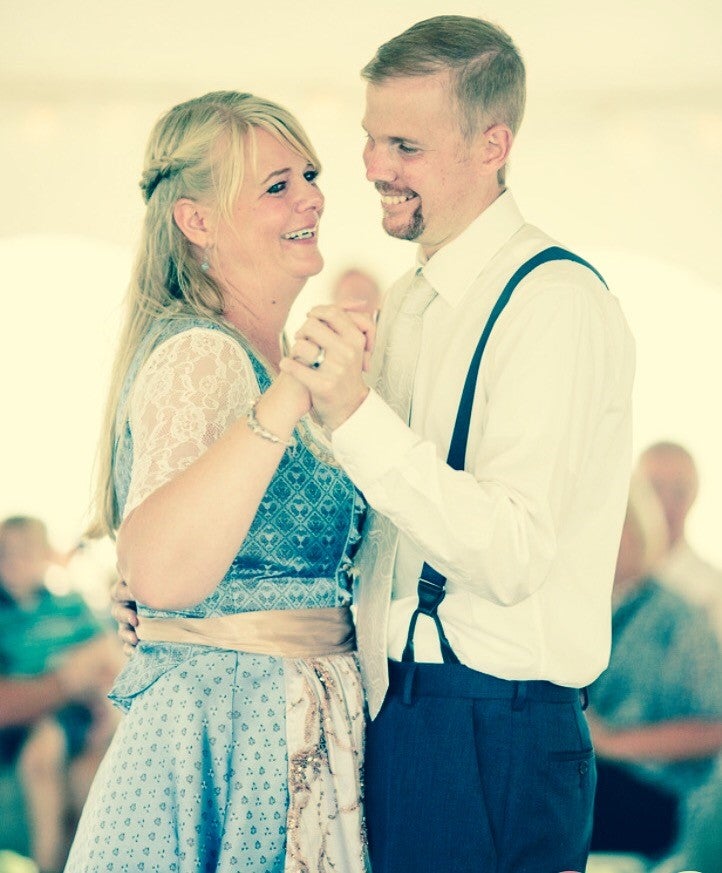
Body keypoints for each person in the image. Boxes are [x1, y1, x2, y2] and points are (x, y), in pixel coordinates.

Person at [281, 15, 636, 873]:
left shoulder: (553, 302)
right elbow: (386, 529)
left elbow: (510, 552)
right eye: (370, 139)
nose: (371, 168)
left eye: (404, 143)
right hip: (400, 714)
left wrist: (358, 413)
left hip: (495, 730)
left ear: (492, 145)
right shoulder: (412, 301)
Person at [65, 90, 373, 872]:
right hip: (229, 732)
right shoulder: (206, 355)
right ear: (198, 222)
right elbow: (164, 571)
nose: (312, 197)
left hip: (291, 717)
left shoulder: (260, 361)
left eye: (309, 173)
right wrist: (294, 387)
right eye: (277, 186)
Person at [587, 476, 722, 860]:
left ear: (636, 531)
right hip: (597, 778)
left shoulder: (679, 619)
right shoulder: (587, 614)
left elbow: (715, 729)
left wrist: (611, 742)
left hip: (658, 797)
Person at [0, 516, 120, 873]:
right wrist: (67, 676)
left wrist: (107, 707)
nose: (16, 560)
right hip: (31, 726)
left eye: (27, 551)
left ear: (47, 556)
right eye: (6, 552)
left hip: (77, 714)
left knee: (89, 776)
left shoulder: (68, 606)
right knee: (44, 750)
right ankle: (49, 860)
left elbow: (106, 656)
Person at [637, 440, 722, 641]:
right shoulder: (608, 577)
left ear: (694, 495)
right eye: (655, 487)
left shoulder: (712, 589)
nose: (666, 502)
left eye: (679, 490)